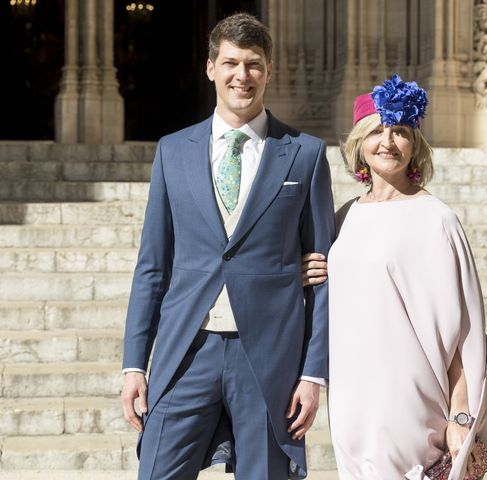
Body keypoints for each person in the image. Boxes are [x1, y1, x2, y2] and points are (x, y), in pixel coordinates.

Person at [302, 75, 487, 480]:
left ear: (414, 145)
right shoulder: (345, 217)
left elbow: (463, 336)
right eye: (378, 130)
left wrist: (460, 415)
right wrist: (305, 270)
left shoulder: (436, 221)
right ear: (359, 144)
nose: (388, 141)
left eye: (400, 131)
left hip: (411, 405)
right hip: (352, 399)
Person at [120, 13, 335, 480]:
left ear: (269, 70)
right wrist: (134, 364)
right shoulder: (173, 150)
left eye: (254, 64)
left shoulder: (306, 153)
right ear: (211, 67)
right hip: (186, 351)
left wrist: (313, 373)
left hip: (268, 358)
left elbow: (323, 278)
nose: (243, 76)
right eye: (232, 63)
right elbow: (152, 266)